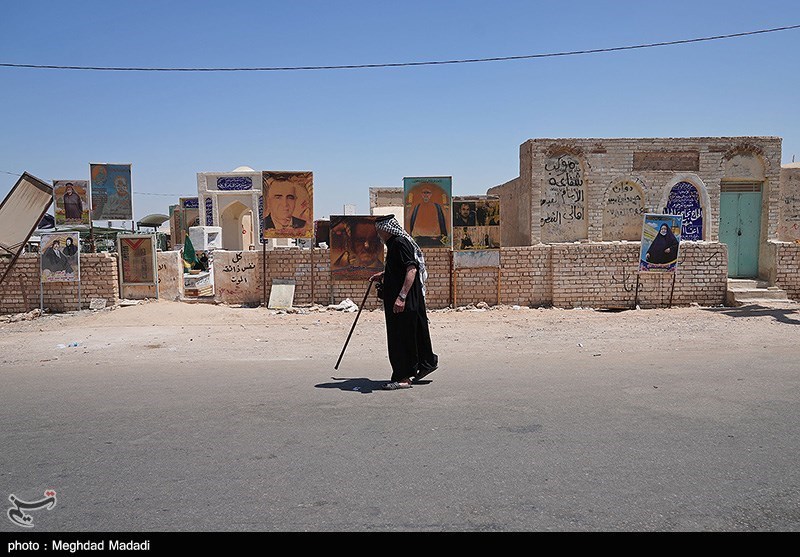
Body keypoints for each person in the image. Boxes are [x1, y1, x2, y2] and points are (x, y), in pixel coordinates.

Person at [370, 214, 438, 390]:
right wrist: (384, 275)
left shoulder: (400, 243)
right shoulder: (395, 244)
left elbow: (411, 269)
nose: (378, 234)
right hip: (405, 300)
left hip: (404, 301)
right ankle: (425, 364)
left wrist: (401, 297)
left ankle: (404, 378)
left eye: (379, 231)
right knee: (413, 333)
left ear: (386, 229)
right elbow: (399, 269)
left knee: (400, 337)